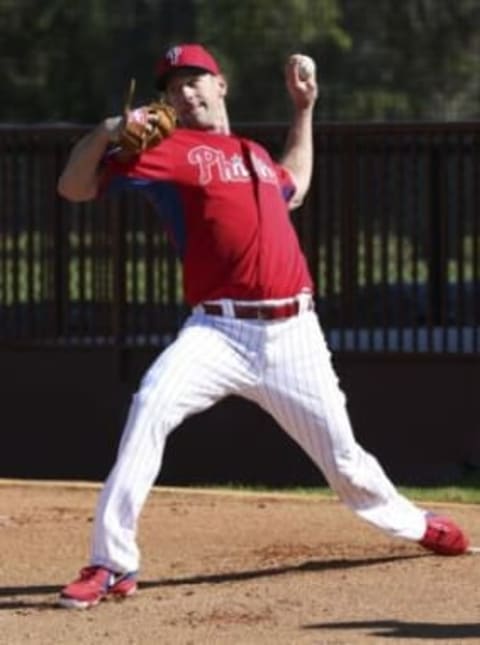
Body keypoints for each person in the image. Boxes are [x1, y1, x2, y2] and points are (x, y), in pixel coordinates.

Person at [56, 43, 469, 610]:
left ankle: (417, 525)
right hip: (217, 332)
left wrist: (303, 110)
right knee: (150, 404)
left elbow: (294, 183)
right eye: (174, 85)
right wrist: (105, 131)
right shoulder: (166, 151)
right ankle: (111, 563)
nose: (185, 90)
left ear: (221, 85)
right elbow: (73, 187)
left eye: (195, 78)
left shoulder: (252, 154)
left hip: (293, 334)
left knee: (345, 461)